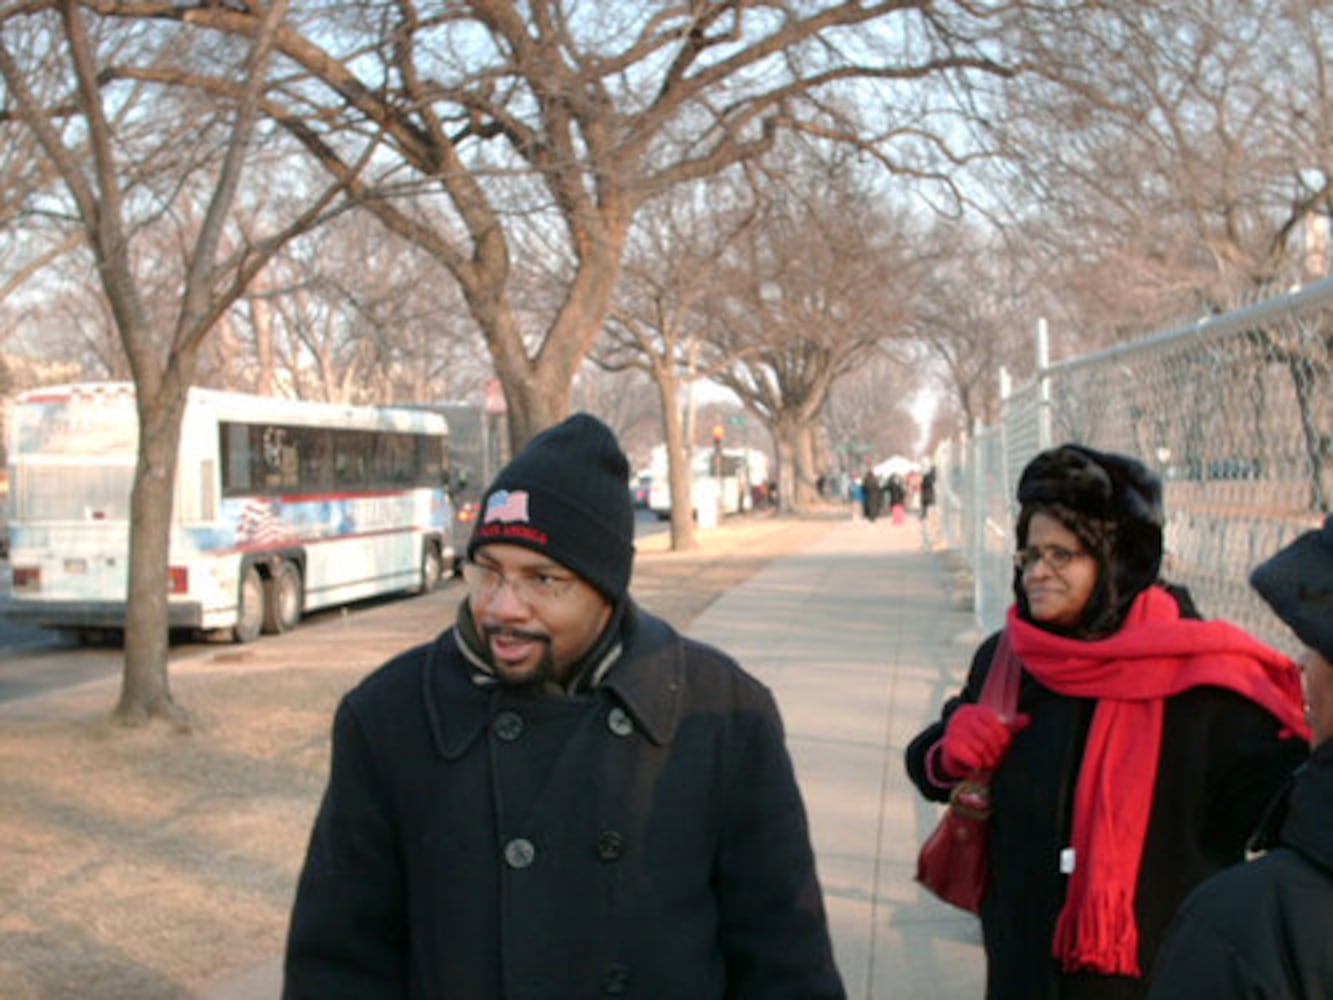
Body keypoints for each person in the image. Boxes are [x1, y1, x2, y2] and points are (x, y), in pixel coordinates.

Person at [283, 413, 845, 1000]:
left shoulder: (723, 713)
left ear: (606, 588)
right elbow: (338, 965)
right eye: (488, 572)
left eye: (542, 579)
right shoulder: (388, 717)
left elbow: (786, 960)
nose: (503, 606)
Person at [904, 443, 1310, 1000]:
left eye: (1061, 555)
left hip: (1160, 976)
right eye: (1029, 555)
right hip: (1021, 968)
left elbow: (1285, 817)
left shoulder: (1207, 683)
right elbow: (926, 765)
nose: (1037, 574)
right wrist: (947, 751)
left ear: (1116, 560)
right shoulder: (1008, 658)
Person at [1148, 516, 1333, 998]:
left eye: (1312, 646)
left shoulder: (1251, 926)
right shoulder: (1012, 662)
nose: (1300, 666)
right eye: (1031, 555)